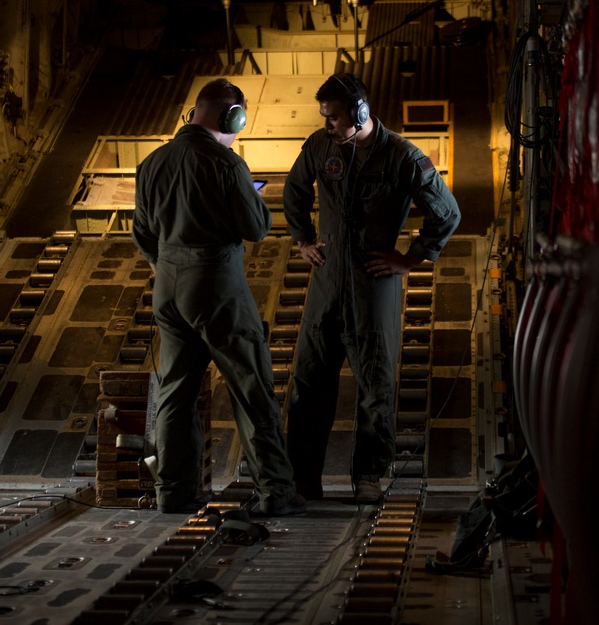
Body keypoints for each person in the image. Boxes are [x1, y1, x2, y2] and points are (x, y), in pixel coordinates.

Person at [283, 72, 461, 503]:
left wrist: (411, 258)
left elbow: (447, 213)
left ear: (360, 113)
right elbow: (293, 192)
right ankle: (303, 478)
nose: (327, 125)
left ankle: (368, 476)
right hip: (327, 285)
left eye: (334, 117)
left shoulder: (402, 156)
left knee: (375, 387)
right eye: (324, 117)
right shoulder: (321, 146)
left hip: (373, 286)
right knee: (308, 385)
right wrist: (303, 238)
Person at [132, 77, 306, 516]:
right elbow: (257, 228)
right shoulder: (226, 164)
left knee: (175, 392)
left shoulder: (152, 162)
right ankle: (275, 492)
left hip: (167, 286)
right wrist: (251, 195)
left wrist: (165, 264)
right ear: (235, 117)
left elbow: (142, 233)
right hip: (215, 284)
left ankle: (172, 492)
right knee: (252, 388)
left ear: (195, 112)